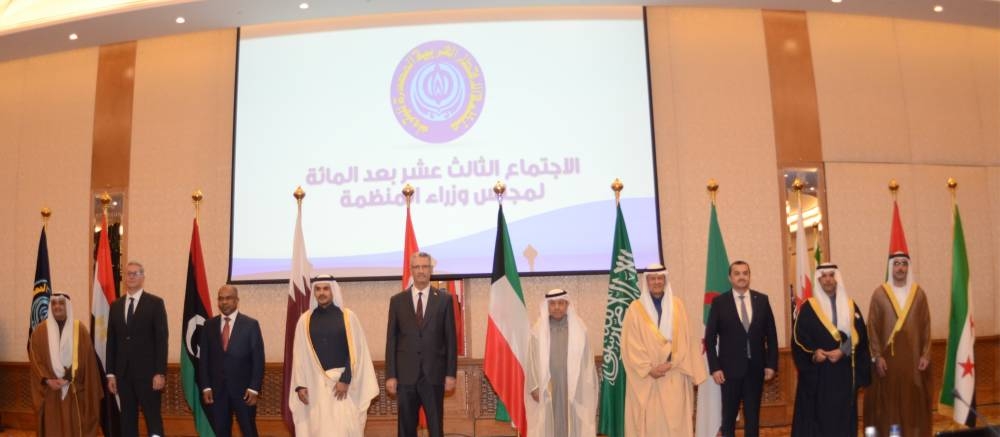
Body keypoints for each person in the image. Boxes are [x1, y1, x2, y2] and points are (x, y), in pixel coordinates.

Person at [622, 264, 706, 437]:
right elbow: (631, 344)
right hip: (648, 378)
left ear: (665, 280)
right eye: (652, 279)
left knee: (676, 424)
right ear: (646, 281)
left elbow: (686, 338)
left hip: (674, 372)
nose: (656, 282)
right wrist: (649, 369)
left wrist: (671, 363)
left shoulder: (678, 306)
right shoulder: (635, 309)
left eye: (660, 278)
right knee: (652, 425)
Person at [289, 275, 378, 436]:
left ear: (333, 291)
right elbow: (299, 355)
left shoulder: (348, 317)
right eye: (318, 289)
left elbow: (356, 351)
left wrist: (345, 379)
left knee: (342, 430)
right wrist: (300, 385)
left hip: (342, 387)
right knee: (318, 430)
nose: (321, 293)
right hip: (314, 386)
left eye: (326, 289)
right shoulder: (305, 320)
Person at [791, 264, 871, 437]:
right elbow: (798, 339)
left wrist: (843, 350)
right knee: (820, 418)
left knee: (843, 418)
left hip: (844, 373)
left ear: (837, 279)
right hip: (820, 375)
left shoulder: (850, 305)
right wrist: (814, 355)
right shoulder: (808, 308)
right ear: (818, 280)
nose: (828, 280)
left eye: (831, 275)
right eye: (824, 276)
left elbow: (860, 334)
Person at [385, 252, 457, 437]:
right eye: (417, 267)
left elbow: (450, 339)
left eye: (425, 266)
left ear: (431, 270)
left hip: (434, 375)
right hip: (406, 376)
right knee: (406, 429)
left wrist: (450, 374)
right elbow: (391, 340)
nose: (421, 271)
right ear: (411, 270)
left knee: (436, 428)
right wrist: (391, 375)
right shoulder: (397, 301)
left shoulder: (444, 300)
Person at [705, 260, 778, 437]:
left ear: (749, 276)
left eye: (745, 273)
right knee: (728, 419)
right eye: (737, 273)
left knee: (753, 418)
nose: (741, 277)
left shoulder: (762, 300)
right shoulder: (719, 302)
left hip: (756, 370)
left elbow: (772, 336)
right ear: (730, 278)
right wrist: (715, 368)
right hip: (729, 372)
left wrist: (771, 364)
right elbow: (710, 338)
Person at [864, 252, 932, 437]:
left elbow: (926, 326)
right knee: (888, 408)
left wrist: (926, 354)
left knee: (912, 406)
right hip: (887, 364)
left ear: (908, 267)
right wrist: (877, 356)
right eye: (897, 264)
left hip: (913, 363)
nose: (900, 268)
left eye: (904, 264)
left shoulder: (919, 294)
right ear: (891, 267)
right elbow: (872, 328)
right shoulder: (879, 294)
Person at [106, 261, 168, 437]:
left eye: (136, 273)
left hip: (149, 376)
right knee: (127, 420)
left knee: (153, 420)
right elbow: (112, 342)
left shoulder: (155, 303)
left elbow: (161, 340)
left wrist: (160, 372)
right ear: (124, 278)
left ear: (143, 277)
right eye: (128, 273)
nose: (131, 276)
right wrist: (111, 374)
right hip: (123, 375)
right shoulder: (115, 305)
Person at [29, 293, 103, 436]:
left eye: (61, 303)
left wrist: (68, 377)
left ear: (67, 306)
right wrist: (47, 380)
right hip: (51, 391)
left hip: (73, 391)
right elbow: (35, 359)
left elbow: (86, 360)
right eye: (54, 303)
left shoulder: (79, 330)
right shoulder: (40, 331)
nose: (57, 306)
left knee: (74, 427)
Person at [526, 288, 597, 437]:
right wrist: (534, 387)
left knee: (572, 421)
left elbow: (587, 362)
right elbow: (531, 361)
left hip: (573, 386)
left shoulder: (579, 329)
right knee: (548, 423)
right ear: (547, 306)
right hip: (547, 387)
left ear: (567, 305)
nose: (557, 307)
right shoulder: (538, 331)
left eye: (561, 303)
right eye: (552, 304)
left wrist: (585, 386)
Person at [199, 285, 265, 437]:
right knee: (221, 431)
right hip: (217, 392)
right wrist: (206, 387)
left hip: (244, 392)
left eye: (228, 298)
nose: (224, 302)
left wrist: (254, 388)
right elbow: (204, 360)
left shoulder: (250, 324)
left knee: (249, 431)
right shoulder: (209, 325)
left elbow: (258, 359)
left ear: (236, 300)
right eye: (221, 298)